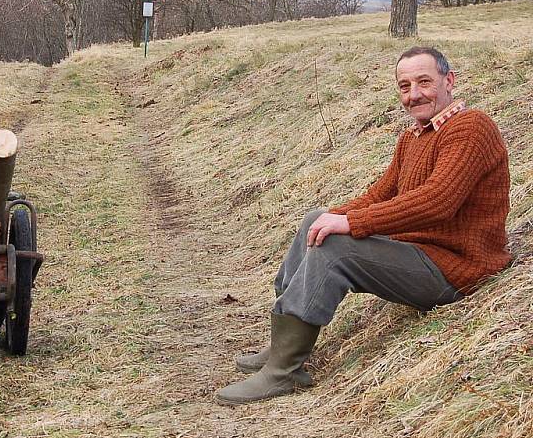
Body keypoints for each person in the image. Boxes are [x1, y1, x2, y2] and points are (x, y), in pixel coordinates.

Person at [216, 46, 511, 406]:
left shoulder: (471, 127)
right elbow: (380, 194)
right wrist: (333, 216)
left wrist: (351, 223)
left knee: (337, 247)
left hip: (457, 268)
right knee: (316, 219)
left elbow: (438, 201)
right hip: (421, 253)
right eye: (404, 86)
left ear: (448, 81)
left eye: (424, 82)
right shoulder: (414, 137)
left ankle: (284, 372)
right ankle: (281, 345)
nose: (413, 94)